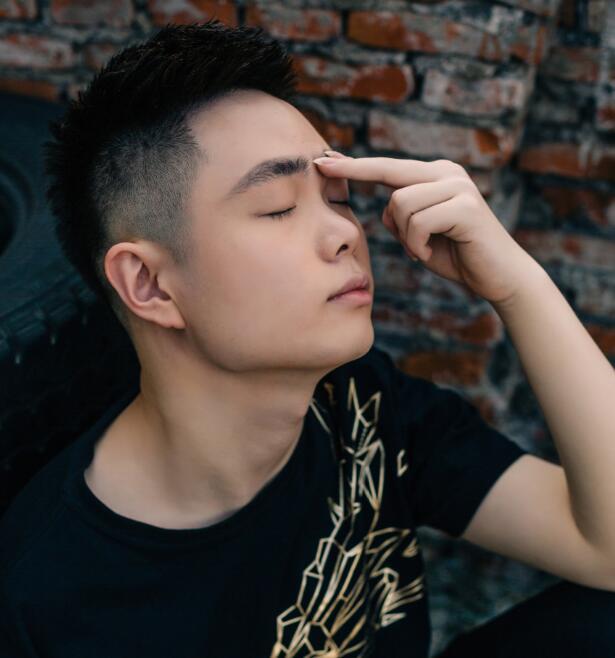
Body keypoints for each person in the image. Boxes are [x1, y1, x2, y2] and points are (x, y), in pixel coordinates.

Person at [2, 19, 615, 658]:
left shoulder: (360, 404)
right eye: (278, 207)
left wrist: (518, 285)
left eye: (339, 198)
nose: (345, 234)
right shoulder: (51, 603)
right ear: (150, 284)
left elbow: (607, 548)